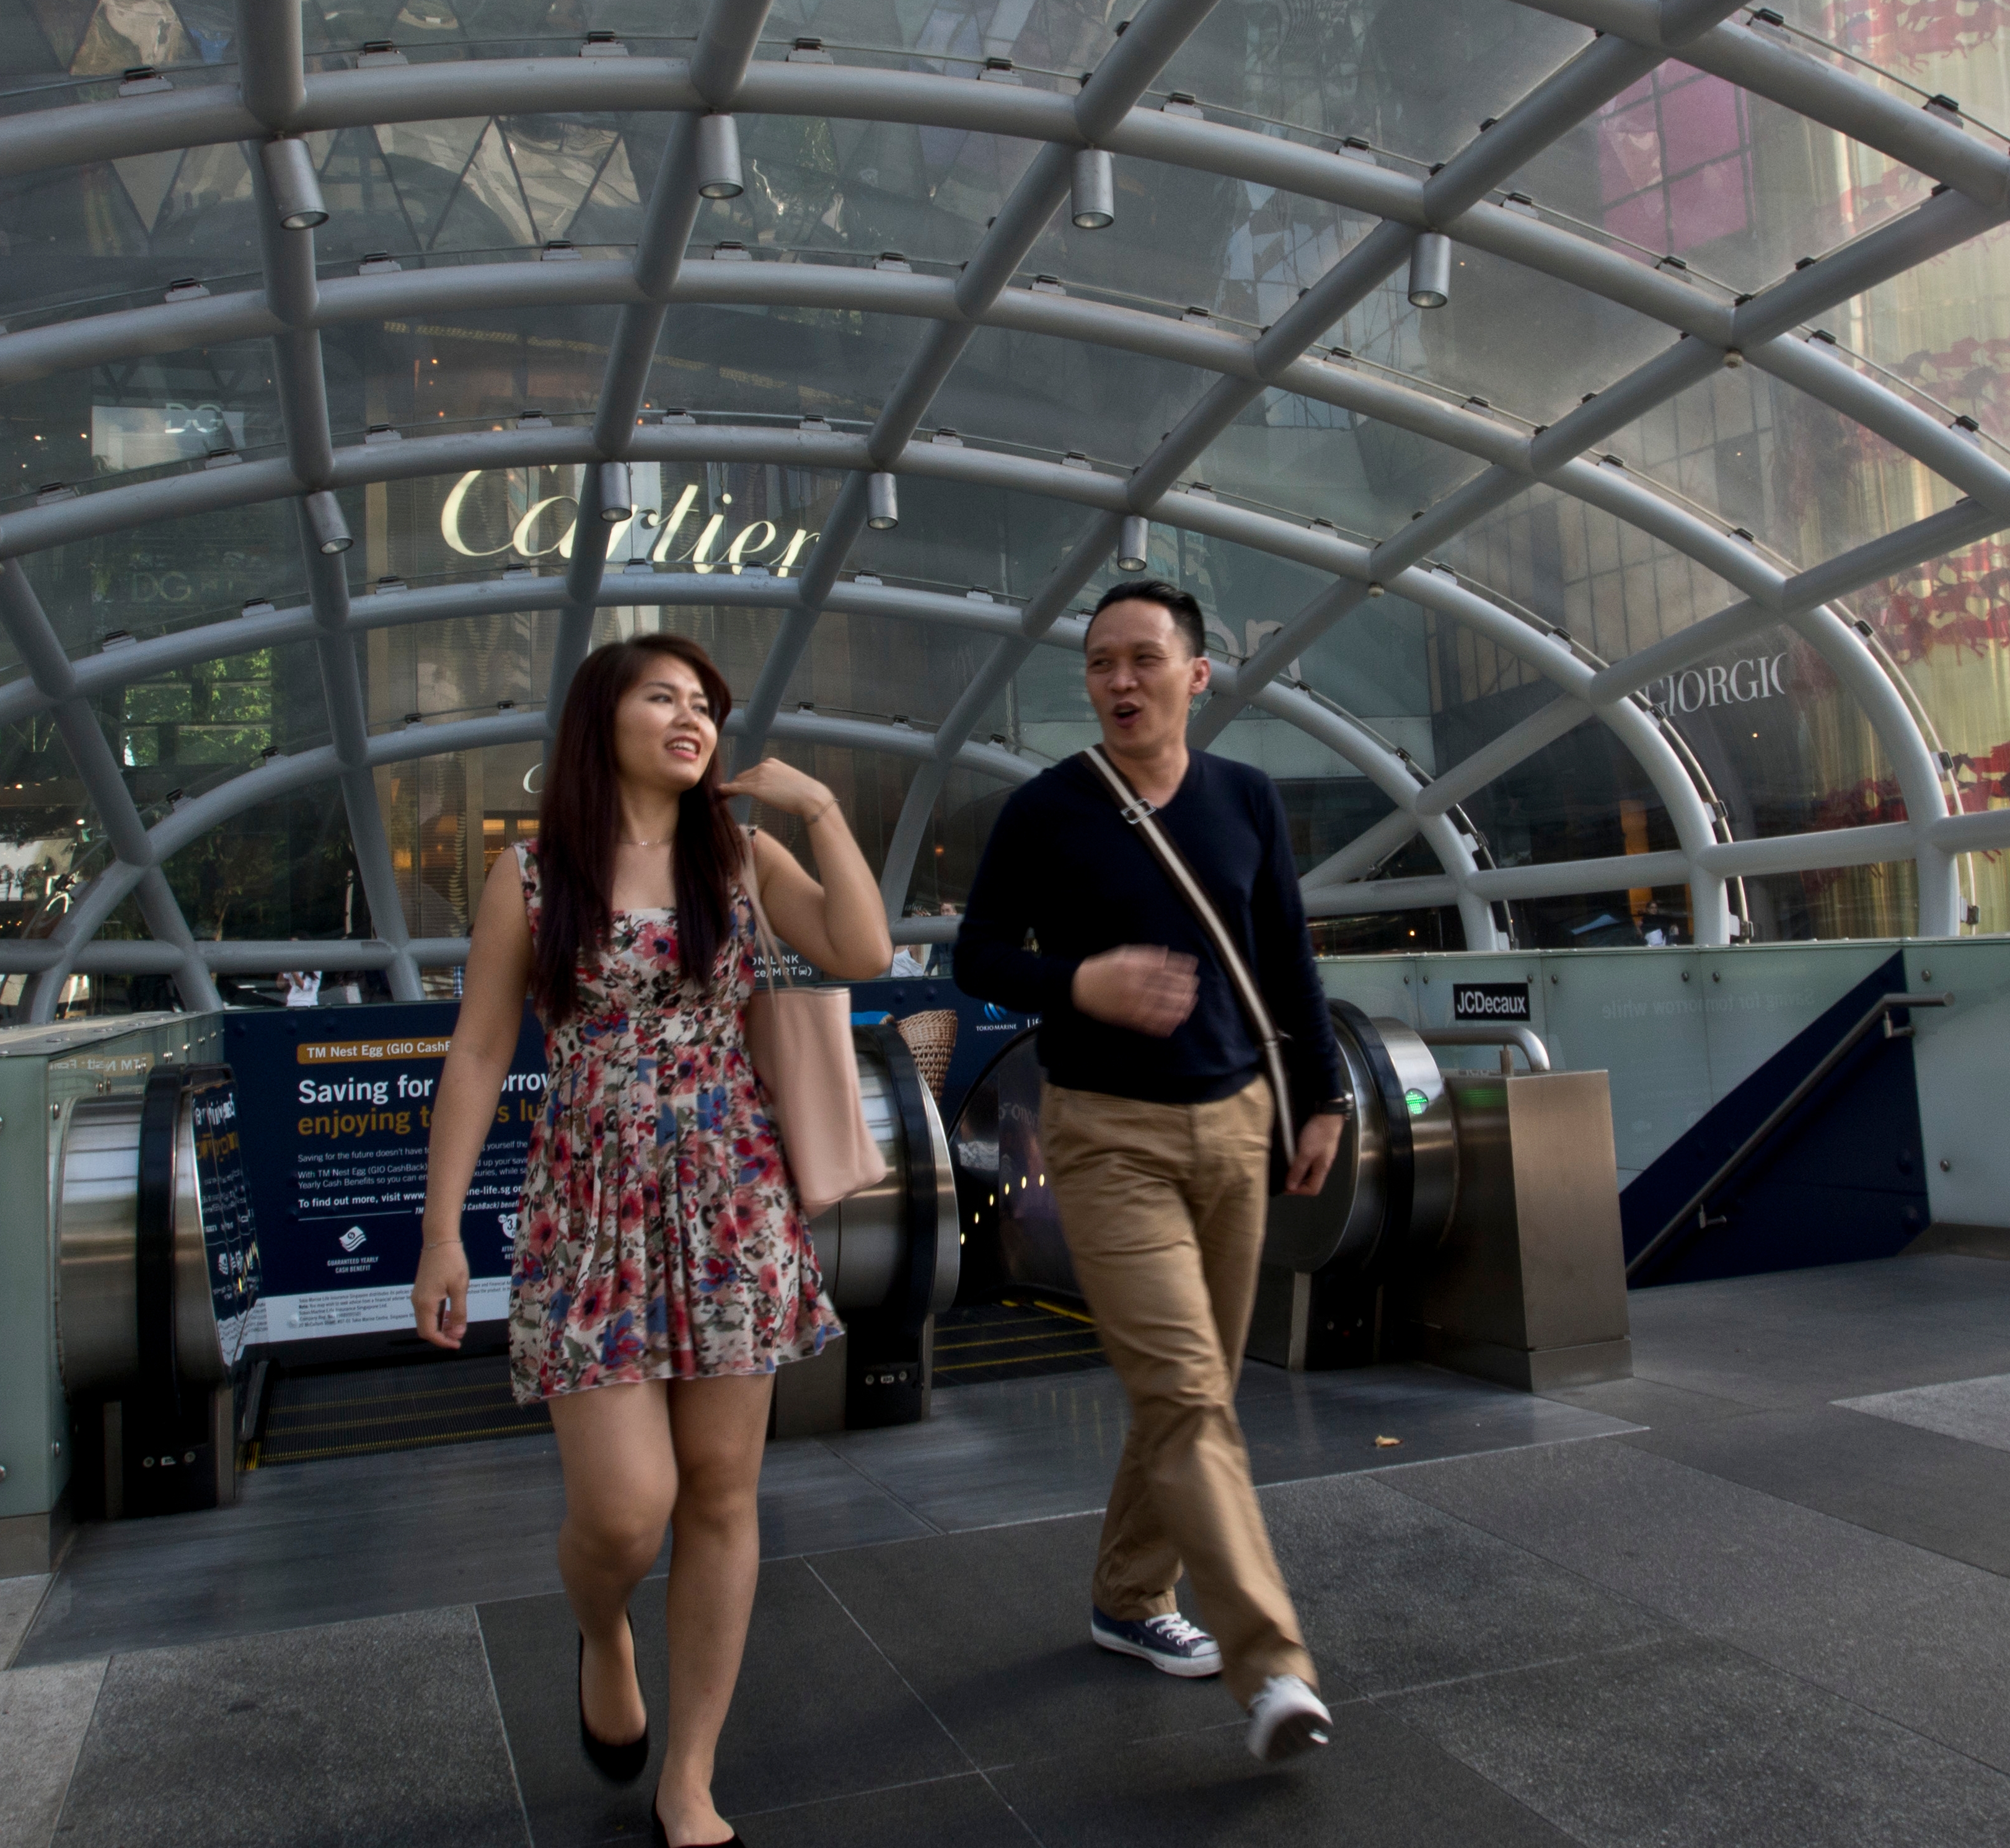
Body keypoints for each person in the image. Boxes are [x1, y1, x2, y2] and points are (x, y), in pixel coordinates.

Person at [412, 635, 890, 1845]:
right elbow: (476, 1051)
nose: (691, 718)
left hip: (731, 1197)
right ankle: (601, 1626)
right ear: (601, 719)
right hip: (589, 1204)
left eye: (705, 705)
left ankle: (690, 1774)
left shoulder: (738, 855)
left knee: (723, 1496)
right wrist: (440, 1233)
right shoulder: (532, 876)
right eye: (662, 696)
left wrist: (822, 807)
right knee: (627, 1512)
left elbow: (862, 951)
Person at [954, 578, 1347, 1763]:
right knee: (1183, 1391)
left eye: (1141, 658)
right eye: (1098, 664)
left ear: (1196, 674)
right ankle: (1270, 1665)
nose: (1118, 681)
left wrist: (1318, 1094)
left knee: (1198, 1391)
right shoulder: (1047, 808)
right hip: (1104, 1132)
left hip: (1232, 1125)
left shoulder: (1244, 798)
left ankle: (1128, 1597)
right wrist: (1077, 981)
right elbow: (976, 953)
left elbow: (1283, 951)